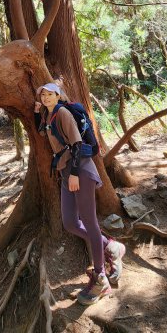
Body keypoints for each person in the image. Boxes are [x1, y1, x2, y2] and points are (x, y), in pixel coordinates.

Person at [34, 82, 125, 305]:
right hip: (67, 174)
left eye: (49, 94)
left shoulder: (63, 112)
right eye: (43, 95)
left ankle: (100, 278)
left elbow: (76, 144)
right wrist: (38, 113)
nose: (46, 98)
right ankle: (111, 246)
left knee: (90, 222)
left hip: (80, 171)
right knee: (70, 223)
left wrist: (74, 173)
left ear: (58, 95)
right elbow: (41, 131)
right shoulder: (48, 115)